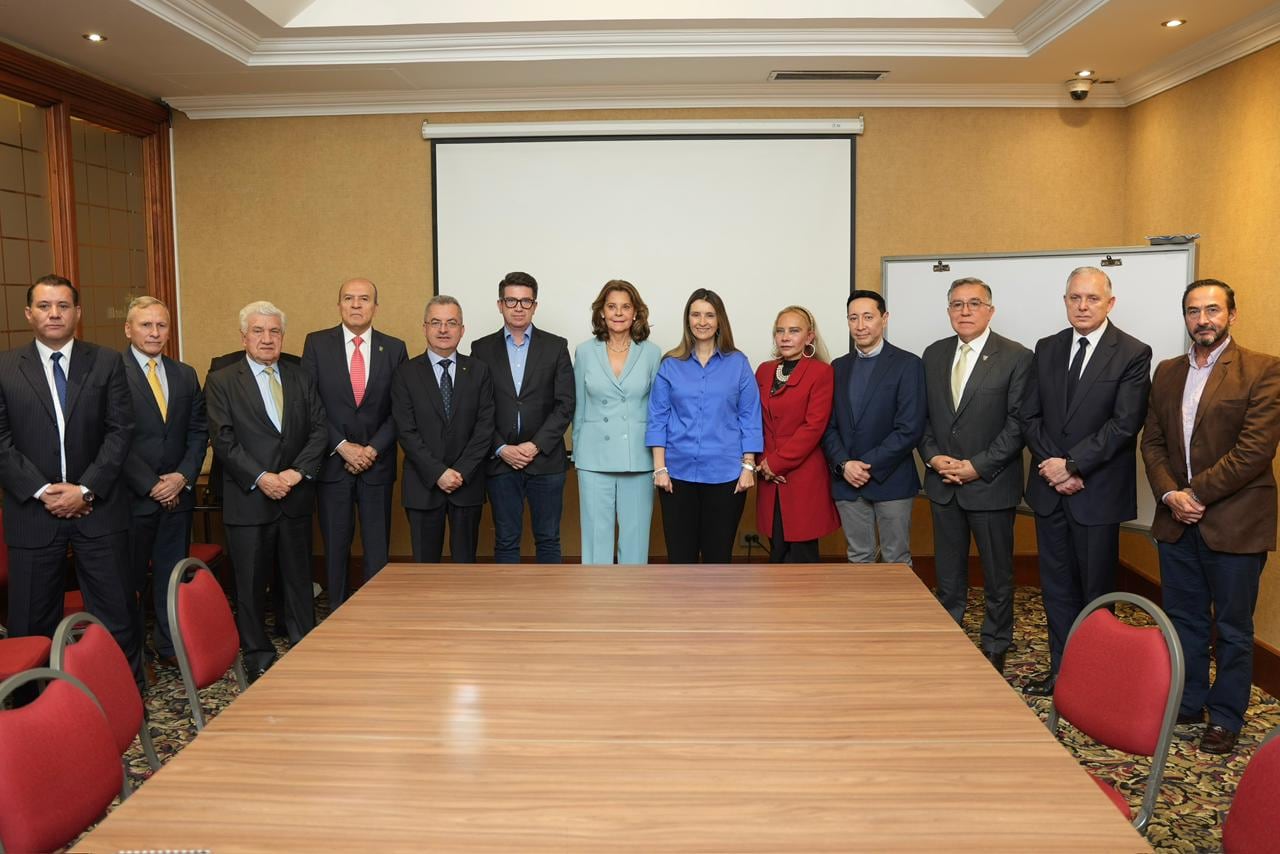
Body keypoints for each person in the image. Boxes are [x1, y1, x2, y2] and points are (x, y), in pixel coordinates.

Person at [1141, 278, 1280, 755]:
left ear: (1232, 315)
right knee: (1183, 619)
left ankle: (1225, 717)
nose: (1203, 319)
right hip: (1176, 520)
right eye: (1194, 311)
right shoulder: (1167, 371)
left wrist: (1194, 493)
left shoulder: (1263, 370)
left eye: (1213, 310)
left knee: (1234, 628)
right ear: (1185, 317)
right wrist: (1168, 495)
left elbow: (1255, 451)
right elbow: (1153, 441)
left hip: (1236, 522)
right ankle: (1189, 701)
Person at [0, 274, 142, 688]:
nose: (54, 313)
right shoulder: (5, 367)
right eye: (45, 306)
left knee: (116, 613)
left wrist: (85, 488)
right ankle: (34, 706)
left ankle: (122, 695)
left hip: (98, 510)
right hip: (33, 513)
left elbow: (121, 432)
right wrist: (45, 491)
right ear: (29, 314)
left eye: (63, 305)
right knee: (31, 619)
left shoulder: (106, 361)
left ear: (78, 313)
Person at [1020, 267, 1151, 697]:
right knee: (1056, 589)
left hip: (1096, 493)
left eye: (1092, 299)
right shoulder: (1047, 348)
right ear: (1065, 301)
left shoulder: (1132, 352)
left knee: (1096, 592)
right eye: (1075, 298)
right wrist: (1054, 468)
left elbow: (1125, 424)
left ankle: (1098, 680)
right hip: (1049, 490)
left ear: (1110, 303)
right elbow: (1030, 416)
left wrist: (1073, 466)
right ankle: (1063, 673)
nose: (1082, 306)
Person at [205, 301, 327, 681]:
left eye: (274, 331)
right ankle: (256, 651)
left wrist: (295, 473)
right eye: (258, 331)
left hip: (294, 495)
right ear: (244, 337)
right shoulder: (223, 380)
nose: (267, 338)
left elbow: (319, 429)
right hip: (249, 499)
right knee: (250, 582)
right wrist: (262, 477)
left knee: (297, 577)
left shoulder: (300, 376)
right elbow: (223, 440)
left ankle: (304, 642)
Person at [919, 277, 1031, 674]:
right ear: (948, 310)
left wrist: (976, 466)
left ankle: (996, 642)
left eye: (973, 304)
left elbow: (1018, 425)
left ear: (990, 310)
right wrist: (934, 459)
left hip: (990, 484)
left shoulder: (1017, 357)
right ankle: (949, 634)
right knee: (948, 573)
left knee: (998, 575)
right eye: (956, 304)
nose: (964, 311)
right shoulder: (933, 355)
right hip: (942, 484)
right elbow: (924, 419)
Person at [301, 278, 407, 608]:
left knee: (377, 547)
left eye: (364, 299)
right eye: (349, 298)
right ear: (339, 305)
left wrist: (372, 449)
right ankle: (337, 613)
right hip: (333, 464)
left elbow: (400, 409)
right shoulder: (317, 344)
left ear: (376, 306)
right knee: (335, 546)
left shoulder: (394, 348)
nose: (357, 305)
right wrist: (343, 445)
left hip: (377, 464)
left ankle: (376, 613)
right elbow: (309, 403)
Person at [120, 296, 208, 669]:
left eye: (161, 325)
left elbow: (198, 430)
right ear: (128, 329)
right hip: (133, 497)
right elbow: (112, 437)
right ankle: (135, 656)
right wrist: (151, 484)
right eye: (146, 325)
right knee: (131, 582)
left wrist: (181, 477)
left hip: (177, 495)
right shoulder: (111, 371)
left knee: (172, 577)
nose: (155, 333)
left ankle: (169, 645)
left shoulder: (184, 373)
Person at [647, 288, 763, 563]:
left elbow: (749, 416)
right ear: (687, 320)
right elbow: (658, 418)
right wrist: (660, 469)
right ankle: (681, 609)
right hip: (677, 475)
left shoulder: (738, 364)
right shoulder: (670, 365)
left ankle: (717, 608)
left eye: (709, 315)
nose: (702, 321)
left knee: (718, 557)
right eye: (696, 314)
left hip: (725, 476)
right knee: (680, 557)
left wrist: (749, 466)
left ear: (719, 320)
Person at [470, 272, 575, 563]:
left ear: (535, 306)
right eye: (511, 300)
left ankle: (548, 608)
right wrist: (501, 448)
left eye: (525, 301)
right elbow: (477, 408)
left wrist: (535, 445)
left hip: (546, 460)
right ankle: (508, 609)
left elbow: (565, 404)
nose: (518, 307)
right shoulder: (480, 349)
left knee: (548, 539)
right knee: (505, 540)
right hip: (500, 461)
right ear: (500, 304)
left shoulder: (556, 346)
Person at [821, 290, 926, 565]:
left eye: (868, 317)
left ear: (885, 319)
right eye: (853, 318)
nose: (860, 325)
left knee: (896, 559)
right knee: (858, 557)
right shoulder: (838, 367)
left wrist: (864, 465)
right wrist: (845, 465)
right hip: (847, 481)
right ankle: (862, 611)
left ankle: (896, 611)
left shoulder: (908, 364)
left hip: (892, 479)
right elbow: (828, 426)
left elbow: (910, 428)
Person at [392, 296, 494, 563]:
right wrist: (438, 472)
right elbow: (406, 431)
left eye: (451, 322)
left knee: (465, 566)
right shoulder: (405, 373)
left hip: (466, 484)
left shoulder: (479, 371)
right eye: (436, 322)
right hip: (423, 485)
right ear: (424, 327)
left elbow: (485, 428)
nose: (443, 329)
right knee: (426, 571)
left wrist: (459, 472)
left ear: (462, 329)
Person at [572, 280, 662, 564]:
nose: (618, 313)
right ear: (601, 312)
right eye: (612, 307)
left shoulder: (651, 353)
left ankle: (632, 604)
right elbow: (579, 406)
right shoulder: (585, 351)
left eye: (625, 307)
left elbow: (657, 409)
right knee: (596, 541)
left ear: (636, 313)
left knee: (635, 541)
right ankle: (596, 604)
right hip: (593, 457)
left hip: (638, 456)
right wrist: (577, 452)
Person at [754, 305, 839, 562]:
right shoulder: (764, 370)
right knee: (776, 552)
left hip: (802, 476)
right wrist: (763, 462)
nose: (785, 337)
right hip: (768, 475)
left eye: (794, 331)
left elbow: (814, 427)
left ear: (809, 337)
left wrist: (777, 463)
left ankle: (805, 605)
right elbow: (754, 421)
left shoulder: (821, 372)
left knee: (802, 559)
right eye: (780, 331)